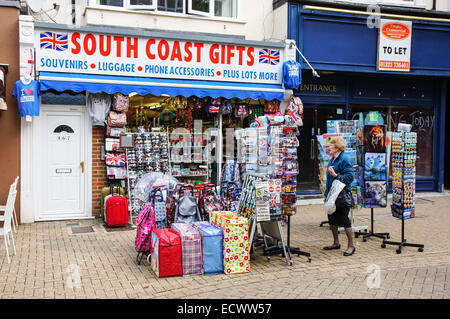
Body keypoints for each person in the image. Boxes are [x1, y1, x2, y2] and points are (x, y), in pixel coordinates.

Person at [323, 136, 355, 256]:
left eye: (331, 145)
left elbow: (350, 177)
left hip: (341, 195)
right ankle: (336, 242)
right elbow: (329, 180)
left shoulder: (344, 159)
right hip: (332, 195)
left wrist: (336, 175)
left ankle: (351, 245)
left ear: (337, 147)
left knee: (344, 220)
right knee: (331, 218)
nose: (329, 147)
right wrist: (326, 195)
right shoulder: (333, 159)